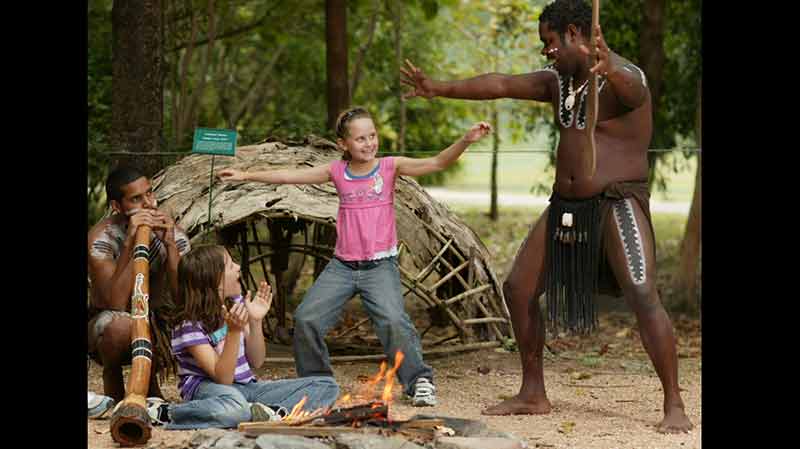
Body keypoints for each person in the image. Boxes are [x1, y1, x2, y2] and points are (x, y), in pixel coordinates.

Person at [399, 0, 692, 433]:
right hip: (565, 206)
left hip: (617, 202)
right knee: (517, 288)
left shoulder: (620, 77)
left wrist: (608, 66)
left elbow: (636, 90)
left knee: (643, 293)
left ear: (575, 33)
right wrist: (437, 87)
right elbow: (499, 83)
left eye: (549, 42)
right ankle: (533, 391)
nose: (545, 51)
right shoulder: (558, 82)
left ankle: (674, 403)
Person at [218, 107, 492, 407]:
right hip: (343, 266)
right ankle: (317, 382)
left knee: (392, 320)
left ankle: (418, 381)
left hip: (380, 266)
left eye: (372, 136)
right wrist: (245, 174)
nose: (369, 143)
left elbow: (438, 161)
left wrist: (466, 140)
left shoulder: (389, 166)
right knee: (307, 319)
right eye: (360, 138)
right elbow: (287, 176)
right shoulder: (336, 171)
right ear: (343, 144)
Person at [146, 245, 339, 429]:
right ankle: (169, 413)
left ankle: (272, 413)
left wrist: (255, 322)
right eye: (230, 265)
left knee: (326, 385)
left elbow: (257, 360)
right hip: (208, 390)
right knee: (234, 409)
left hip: (246, 388)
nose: (238, 267)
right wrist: (233, 332)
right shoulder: (189, 325)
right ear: (214, 279)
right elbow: (223, 379)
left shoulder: (234, 304)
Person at [88, 166, 192, 402]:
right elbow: (115, 302)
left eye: (149, 193)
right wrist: (132, 243)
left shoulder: (171, 232)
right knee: (121, 327)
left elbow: (183, 298)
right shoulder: (101, 238)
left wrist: (171, 247)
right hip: (109, 324)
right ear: (117, 206)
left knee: (191, 322)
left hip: (158, 320)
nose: (149, 204)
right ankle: (112, 381)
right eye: (136, 199)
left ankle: (152, 386)